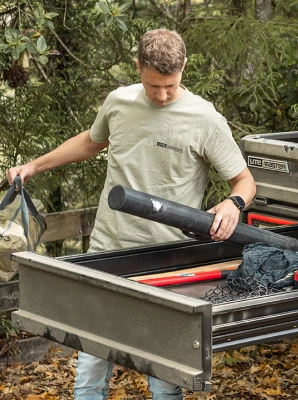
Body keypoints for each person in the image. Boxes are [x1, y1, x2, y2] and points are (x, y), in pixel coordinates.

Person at [7, 28, 256, 400]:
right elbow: (91, 142)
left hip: (168, 262)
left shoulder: (205, 119)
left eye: (170, 85)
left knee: (164, 381)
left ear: (184, 68)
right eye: (154, 85)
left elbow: (245, 181)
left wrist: (233, 204)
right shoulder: (119, 102)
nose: (162, 95)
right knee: (90, 370)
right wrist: (34, 166)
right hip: (108, 250)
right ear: (137, 66)